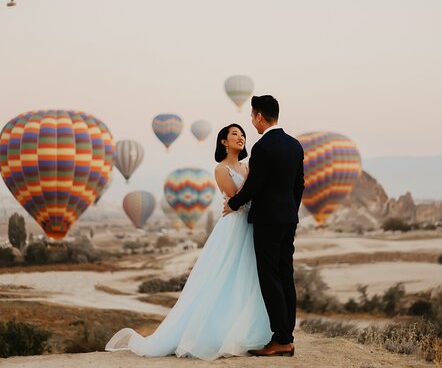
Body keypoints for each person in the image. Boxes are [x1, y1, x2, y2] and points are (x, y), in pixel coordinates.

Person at [105, 123, 272, 360]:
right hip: (234, 227)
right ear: (223, 141)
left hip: (251, 226)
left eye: (243, 134)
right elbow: (237, 199)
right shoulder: (221, 169)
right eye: (235, 134)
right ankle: (214, 334)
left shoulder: (247, 166)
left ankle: (245, 331)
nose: (241, 137)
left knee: (249, 277)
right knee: (224, 276)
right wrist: (253, 187)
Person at [224, 94, 305, 357]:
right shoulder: (295, 146)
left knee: (270, 278)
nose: (251, 121)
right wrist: (291, 209)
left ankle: (280, 339)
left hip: (268, 221)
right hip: (288, 219)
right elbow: (298, 185)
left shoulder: (262, 148)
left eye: (252, 116)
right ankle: (287, 336)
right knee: (286, 275)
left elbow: (255, 186)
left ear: (259, 116)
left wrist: (234, 203)